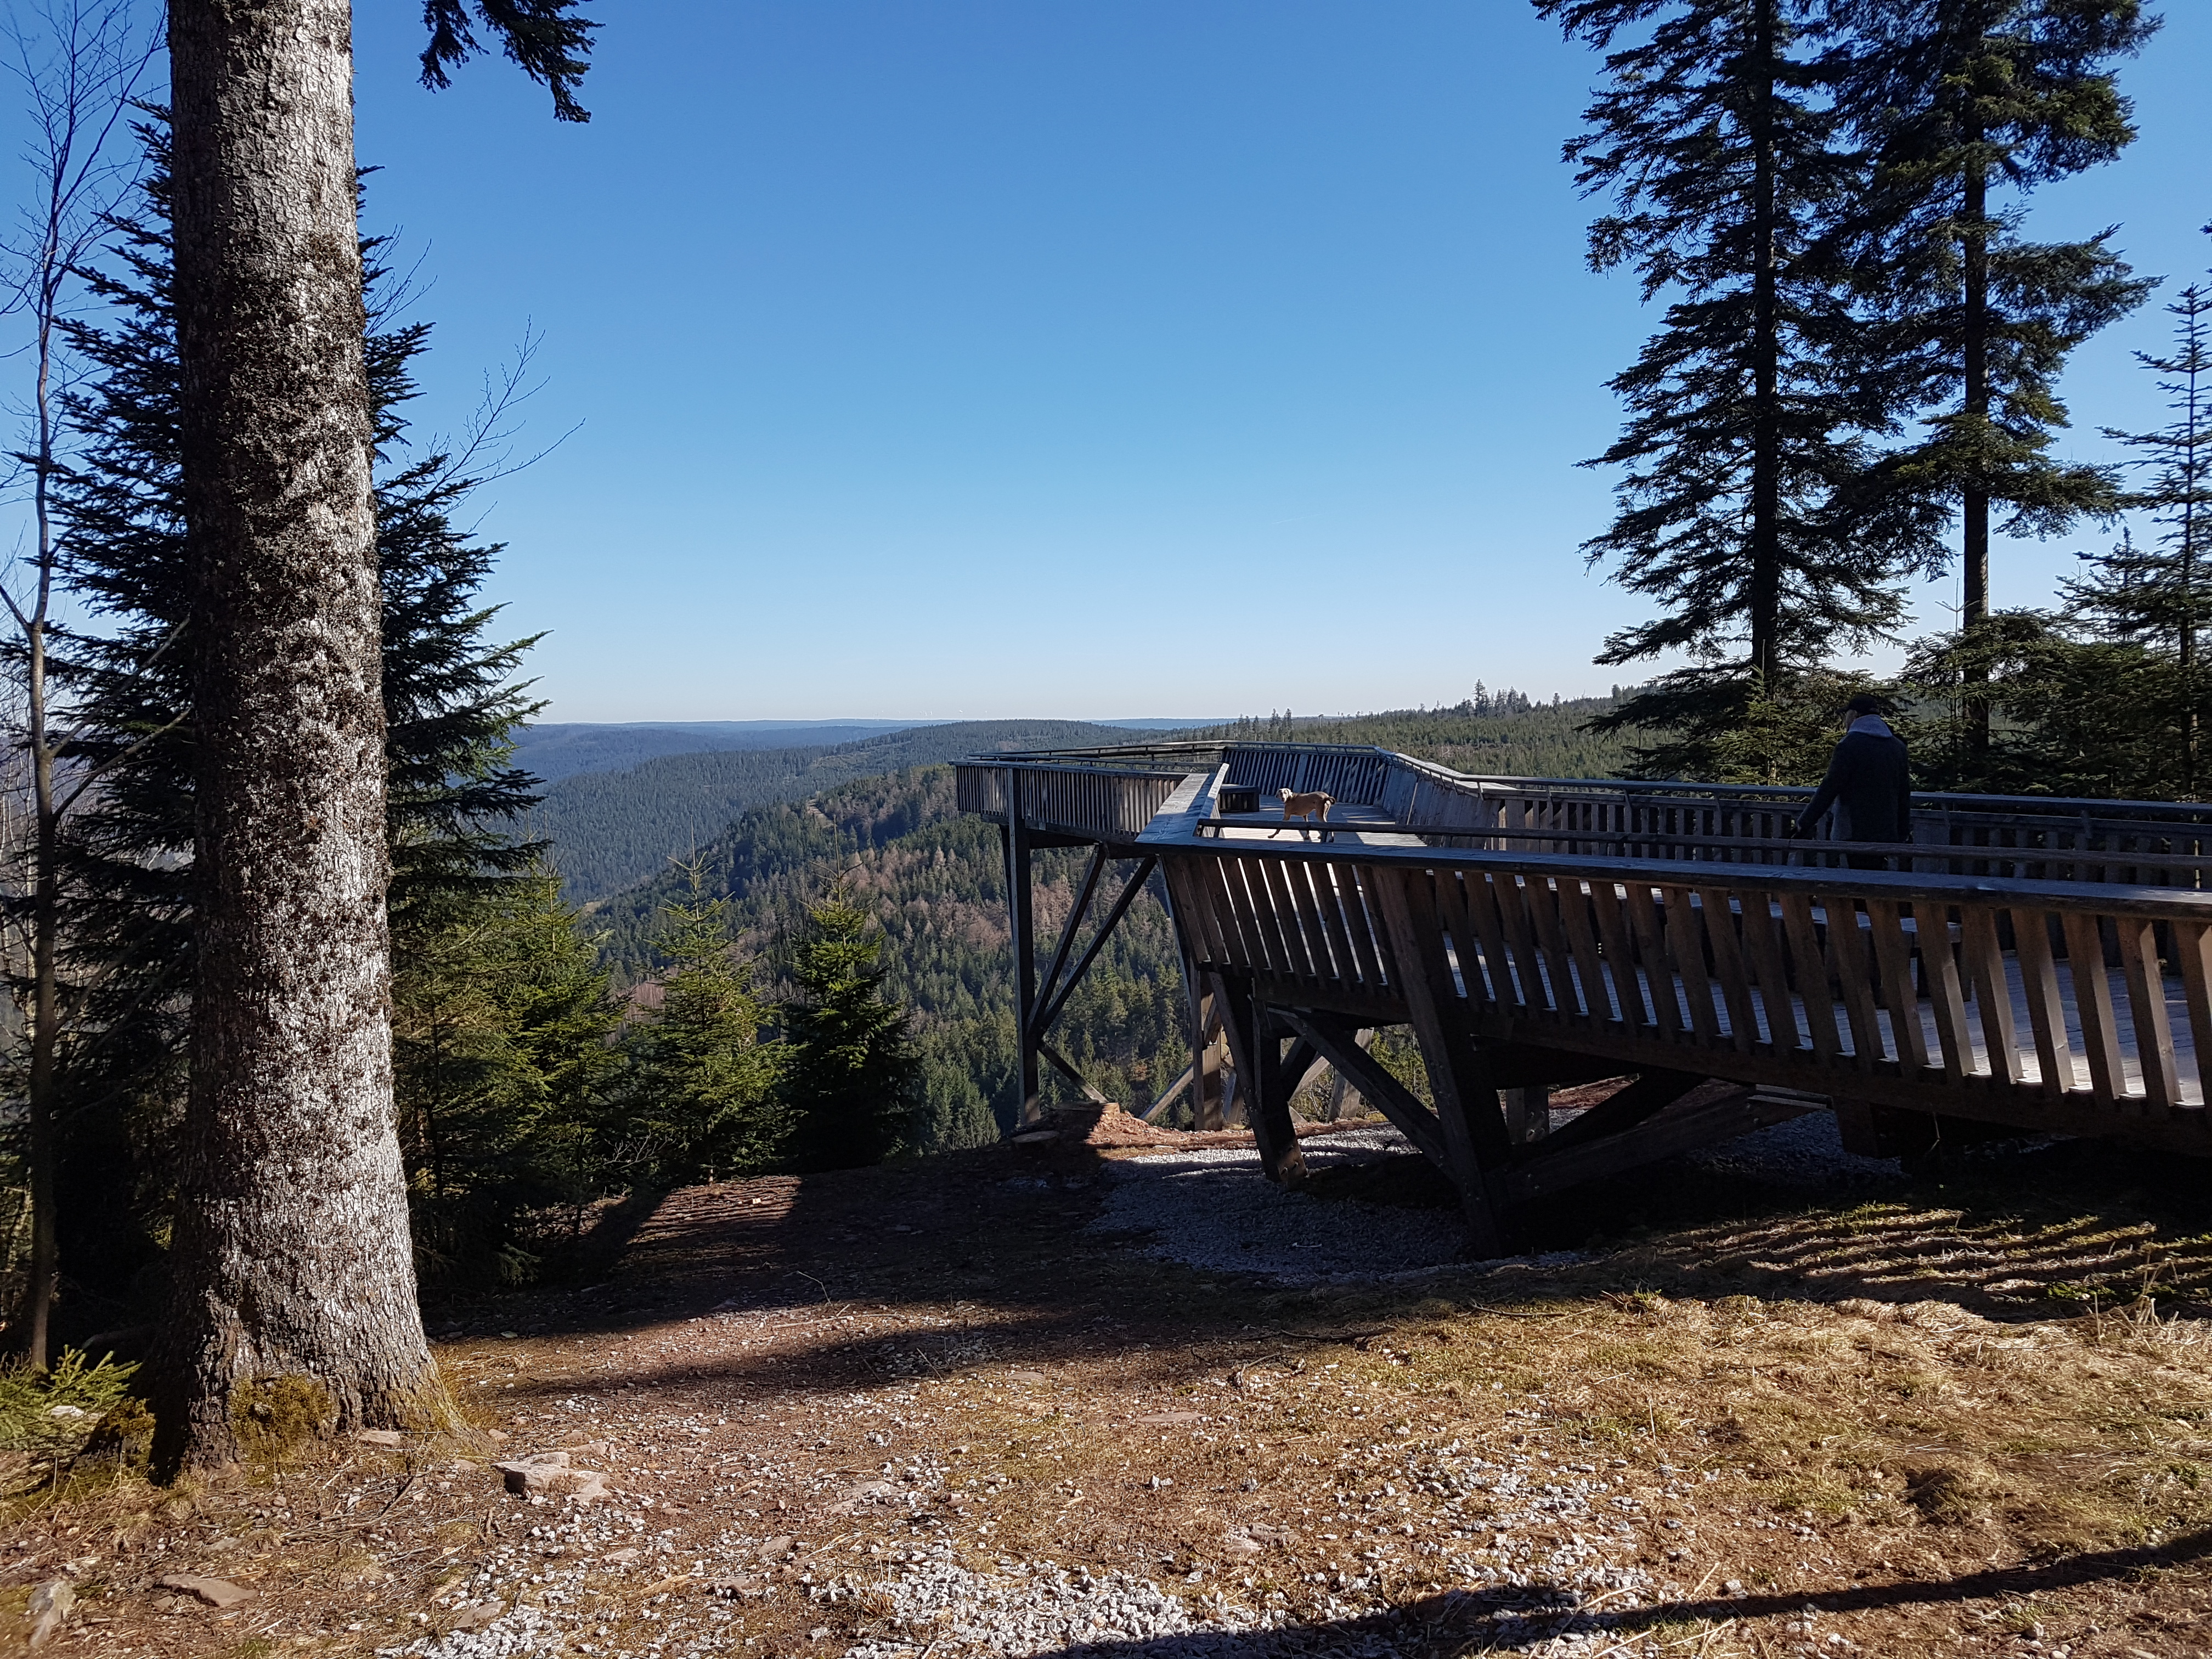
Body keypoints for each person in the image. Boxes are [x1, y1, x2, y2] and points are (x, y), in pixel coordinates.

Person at [1795, 693, 1912, 868]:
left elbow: (1829, 789)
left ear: (1855, 715)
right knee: (1875, 879)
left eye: (1846, 715)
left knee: (1856, 881)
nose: (1844, 721)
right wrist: (1902, 832)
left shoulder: (1849, 745)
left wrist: (1804, 824)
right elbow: (1904, 794)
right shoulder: (1897, 747)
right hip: (1887, 832)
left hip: (1854, 831)